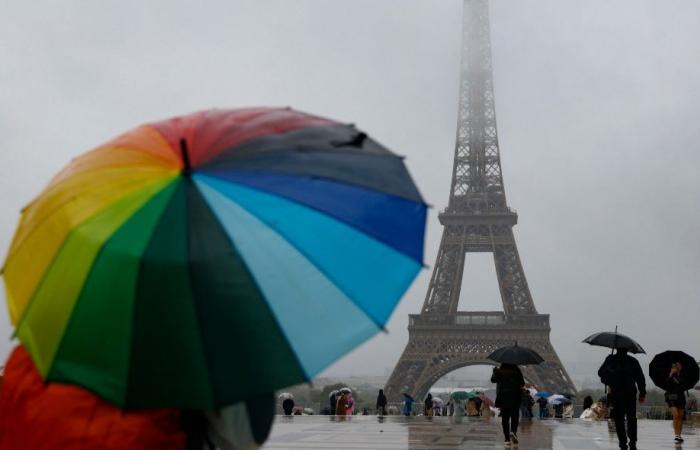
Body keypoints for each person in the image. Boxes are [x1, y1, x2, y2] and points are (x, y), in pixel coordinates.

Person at [598, 348, 646, 450]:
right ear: (628, 349)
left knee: (619, 419)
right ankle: (632, 441)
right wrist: (642, 393)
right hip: (630, 393)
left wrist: (609, 372)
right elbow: (640, 378)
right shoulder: (633, 361)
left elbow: (600, 372)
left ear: (616, 348)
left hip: (616, 392)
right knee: (631, 418)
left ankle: (622, 442)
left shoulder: (611, 359)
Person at [491, 363, 525, 446]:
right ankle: (513, 431)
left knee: (505, 418)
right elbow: (522, 383)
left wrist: (495, 371)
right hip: (515, 396)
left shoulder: (499, 371)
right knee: (514, 415)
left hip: (503, 396)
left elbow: (493, 380)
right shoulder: (516, 371)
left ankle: (507, 439)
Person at [665, 361, 686, 444]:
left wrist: (679, 382)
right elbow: (666, 384)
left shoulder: (683, 376)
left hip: (681, 397)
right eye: (676, 365)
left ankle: (679, 435)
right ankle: (676, 434)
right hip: (671, 397)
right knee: (676, 415)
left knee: (680, 417)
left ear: (681, 367)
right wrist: (670, 373)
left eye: (679, 365)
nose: (678, 366)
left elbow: (685, 385)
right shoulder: (671, 375)